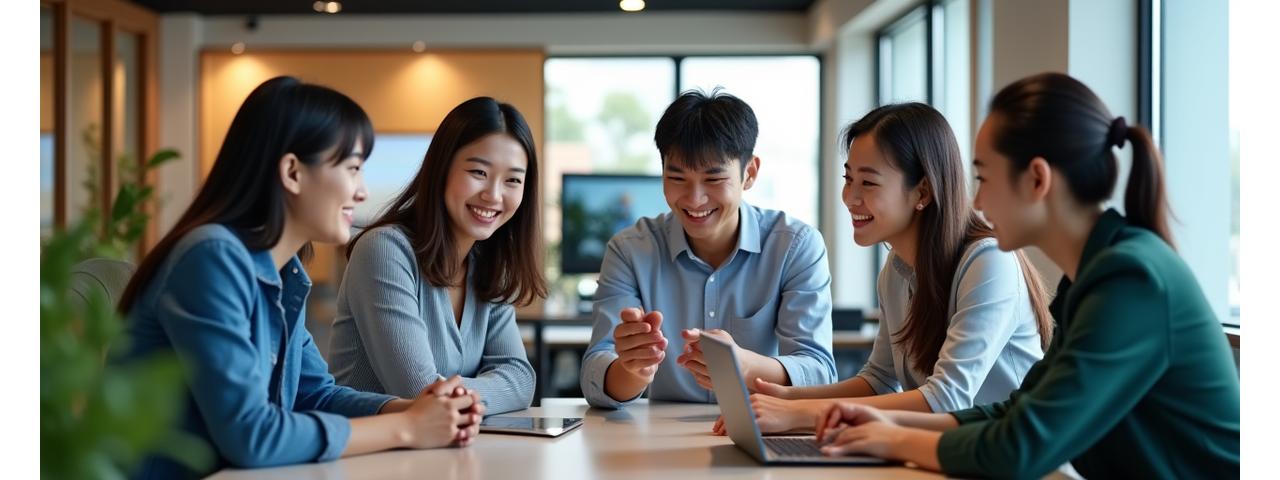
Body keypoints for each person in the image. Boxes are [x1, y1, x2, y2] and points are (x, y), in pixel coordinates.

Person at [814, 72, 1240, 478]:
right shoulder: (1092, 279)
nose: (976, 200)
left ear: (1037, 179)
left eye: (983, 178)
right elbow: (1016, 412)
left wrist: (892, 440)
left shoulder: (1130, 280)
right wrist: (883, 424)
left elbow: (1019, 447)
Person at [116, 77, 483, 479]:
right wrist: (408, 428)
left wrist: (416, 408)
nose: (361, 192)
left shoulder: (282, 273)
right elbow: (251, 436)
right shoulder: (212, 258)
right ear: (292, 172)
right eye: (353, 168)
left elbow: (314, 394)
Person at [716, 102, 1052, 435]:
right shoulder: (896, 269)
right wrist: (785, 397)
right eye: (849, 179)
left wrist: (800, 412)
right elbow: (879, 380)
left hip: (1009, 459)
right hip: (950, 454)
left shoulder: (987, 261)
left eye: (869, 183)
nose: (850, 197)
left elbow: (947, 398)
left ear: (922, 190)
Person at [580, 89, 838, 408]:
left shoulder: (794, 246)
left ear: (750, 173)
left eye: (714, 180)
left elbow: (820, 372)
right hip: (662, 439)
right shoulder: (630, 250)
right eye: (677, 178)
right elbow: (594, 375)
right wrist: (633, 368)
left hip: (765, 426)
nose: (694, 198)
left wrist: (745, 367)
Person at [328, 97, 545, 415]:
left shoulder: (488, 265)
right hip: (369, 456)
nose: (494, 195)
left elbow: (522, 382)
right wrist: (484, 391)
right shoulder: (384, 250)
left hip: (444, 451)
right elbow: (418, 392)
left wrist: (450, 394)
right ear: (442, 168)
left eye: (513, 179)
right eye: (479, 172)